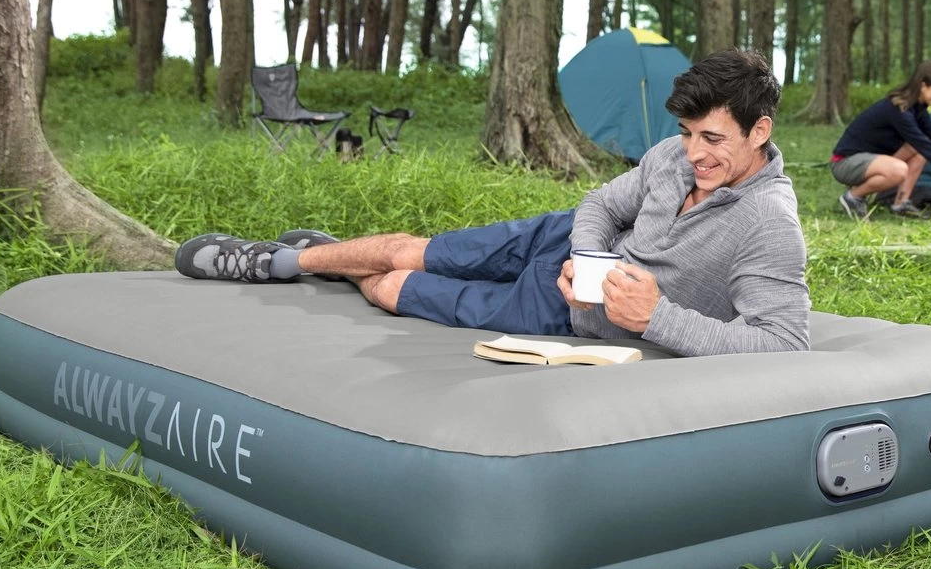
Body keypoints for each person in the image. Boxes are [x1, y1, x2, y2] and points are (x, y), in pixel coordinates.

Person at [175, 49, 810, 356]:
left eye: (712, 139)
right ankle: (273, 262)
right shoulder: (674, 155)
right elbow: (599, 204)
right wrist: (586, 256)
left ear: (760, 131)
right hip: (562, 244)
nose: (693, 153)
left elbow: (783, 344)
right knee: (414, 250)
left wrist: (655, 317)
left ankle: (338, 263)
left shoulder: (768, 223)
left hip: (566, 317)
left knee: (391, 286)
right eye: (686, 133)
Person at [832, 60, 931, 219]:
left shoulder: (917, 109)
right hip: (845, 163)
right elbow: (929, 148)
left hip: (870, 161)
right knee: (900, 169)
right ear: (923, 86)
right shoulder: (899, 111)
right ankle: (853, 197)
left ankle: (901, 204)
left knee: (919, 153)